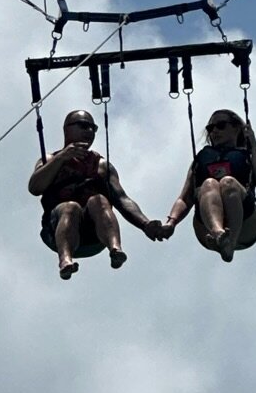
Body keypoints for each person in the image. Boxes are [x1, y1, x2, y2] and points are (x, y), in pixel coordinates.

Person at [29, 109, 167, 280]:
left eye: (93, 128)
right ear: (67, 129)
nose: (89, 132)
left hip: (93, 234)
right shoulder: (50, 159)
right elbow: (35, 187)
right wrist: (61, 159)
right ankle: (65, 260)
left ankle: (115, 249)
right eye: (83, 126)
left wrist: (145, 224)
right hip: (57, 227)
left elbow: (122, 199)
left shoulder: (100, 165)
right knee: (70, 207)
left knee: (99, 200)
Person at [164, 107, 256, 261]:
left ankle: (230, 243)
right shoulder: (202, 159)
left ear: (236, 128)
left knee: (228, 183)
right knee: (208, 184)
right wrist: (171, 223)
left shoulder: (246, 154)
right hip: (206, 229)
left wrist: (252, 143)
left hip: (246, 225)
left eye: (220, 126)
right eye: (210, 128)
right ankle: (219, 233)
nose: (214, 131)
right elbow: (184, 199)